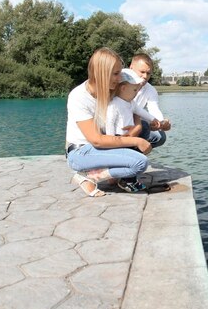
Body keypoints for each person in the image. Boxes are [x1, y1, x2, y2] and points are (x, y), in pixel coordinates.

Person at [65, 47, 152, 197]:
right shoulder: (79, 97)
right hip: (81, 152)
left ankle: (119, 176)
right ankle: (91, 176)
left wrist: (137, 126)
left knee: (146, 129)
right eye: (116, 74)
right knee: (140, 163)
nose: (120, 79)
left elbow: (132, 105)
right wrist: (135, 140)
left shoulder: (111, 89)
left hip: (102, 144)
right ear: (102, 73)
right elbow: (97, 140)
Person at [105, 68, 161, 192]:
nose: (136, 93)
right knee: (126, 159)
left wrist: (153, 119)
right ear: (123, 88)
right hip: (119, 138)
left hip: (130, 137)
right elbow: (110, 122)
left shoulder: (130, 103)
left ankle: (129, 179)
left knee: (132, 157)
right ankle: (127, 181)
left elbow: (141, 111)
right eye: (134, 90)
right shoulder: (114, 104)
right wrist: (110, 139)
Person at [130, 53, 171, 148]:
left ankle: (133, 157)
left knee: (160, 136)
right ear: (131, 68)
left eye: (148, 73)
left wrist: (161, 123)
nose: (145, 76)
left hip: (133, 123)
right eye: (142, 72)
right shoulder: (118, 79)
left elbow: (154, 109)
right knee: (143, 125)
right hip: (113, 123)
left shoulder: (150, 89)